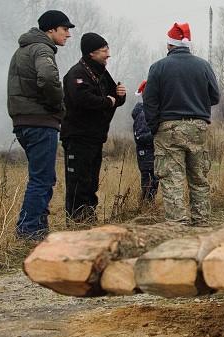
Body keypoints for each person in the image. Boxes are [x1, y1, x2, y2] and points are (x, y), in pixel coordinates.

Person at [7, 10, 75, 240]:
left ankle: (39, 228)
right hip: (40, 122)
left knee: (41, 177)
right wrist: (58, 103)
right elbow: (47, 77)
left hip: (24, 121)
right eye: (64, 29)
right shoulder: (42, 49)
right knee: (42, 179)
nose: (68, 34)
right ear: (51, 30)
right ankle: (28, 230)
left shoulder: (23, 50)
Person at [143, 23, 220, 226]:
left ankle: (178, 225)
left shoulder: (158, 67)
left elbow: (149, 101)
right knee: (199, 178)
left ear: (169, 44)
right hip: (198, 127)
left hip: (168, 128)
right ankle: (201, 222)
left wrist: (154, 127)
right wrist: (197, 105)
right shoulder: (203, 65)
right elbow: (215, 96)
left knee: (172, 180)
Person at [60, 32, 127, 224]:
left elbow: (114, 98)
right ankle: (77, 221)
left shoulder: (102, 73)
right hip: (78, 136)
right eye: (105, 50)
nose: (108, 54)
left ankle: (88, 217)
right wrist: (107, 101)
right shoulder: (77, 73)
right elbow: (82, 99)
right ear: (92, 53)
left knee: (91, 182)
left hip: (95, 137)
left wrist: (121, 95)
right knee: (78, 181)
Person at [131, 81, 158, 203]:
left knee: (154, 182)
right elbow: (140, 137)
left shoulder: (151, 111)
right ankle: (146, 206)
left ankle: (149, 205)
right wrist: (157, 135)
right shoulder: (142, 115)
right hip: (146, 156)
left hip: (152, 154)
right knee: (148, 183)